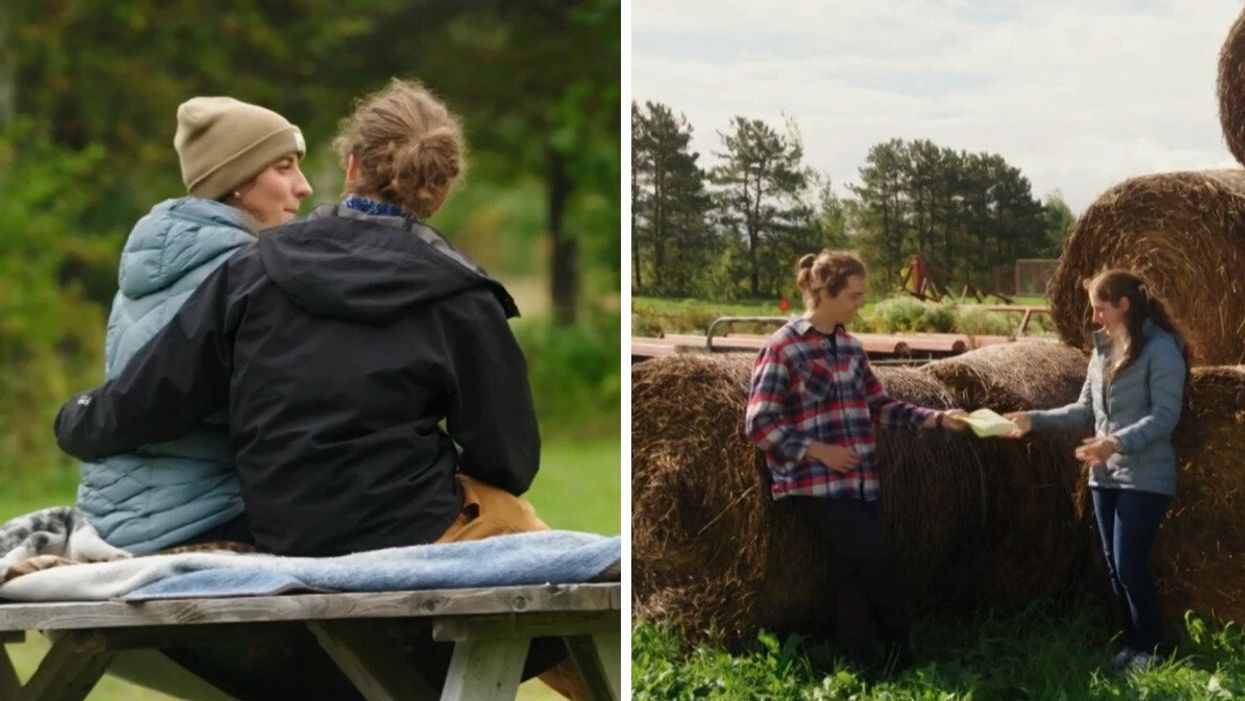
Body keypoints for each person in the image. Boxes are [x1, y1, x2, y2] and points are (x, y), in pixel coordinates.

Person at [55, 78, 587, 700]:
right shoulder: (464, 297)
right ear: (438, 191)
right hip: (411, 529)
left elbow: (147, 398)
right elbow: (510, 458)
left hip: (285, 533)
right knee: (529, 535)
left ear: (352, 164)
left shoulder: (253, 268)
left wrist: (73, 419)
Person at [79, 96, 312, 555]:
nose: (302, 187)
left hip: (118, 514)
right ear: (238, 182)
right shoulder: (239, 271)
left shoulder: (157, 257)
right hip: (197, 517)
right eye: (283, 168)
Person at [744, 249, 967, 675]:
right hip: (815, 483)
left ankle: (860, 662)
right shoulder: (784, 347)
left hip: (860, 479)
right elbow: (758, 423)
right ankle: (902, 649)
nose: (859, 304)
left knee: (854, 572)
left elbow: (878, 404)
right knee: (875, 558)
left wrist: (937, 418)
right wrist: (817, 450)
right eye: (853, 295)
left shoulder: (849, 347)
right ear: (824, 292)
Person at [1005, 269, 1188, 672]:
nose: (1094, 318)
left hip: (1145, 476)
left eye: (1100, 308)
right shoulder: (1102, 350)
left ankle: (1153, 648)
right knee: (1112, 564)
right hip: (1103, 475)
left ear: (1125, 305)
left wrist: (1115, 442)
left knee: (1129, 563)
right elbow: (1084, 411)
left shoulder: (1162, 350)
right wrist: (1033, 419)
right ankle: (1133, 644)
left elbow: (1164, 416)